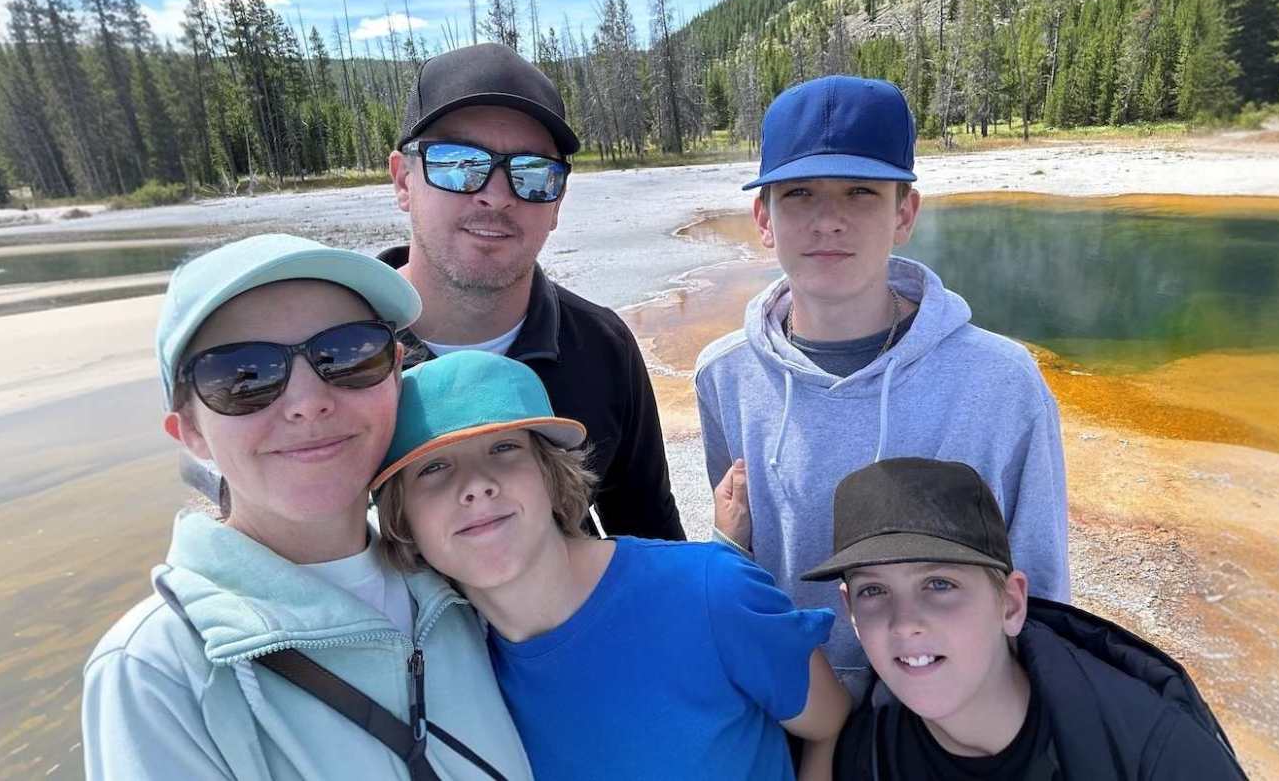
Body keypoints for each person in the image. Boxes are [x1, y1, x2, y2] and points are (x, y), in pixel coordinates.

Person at [82, 234, 532, 780]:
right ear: (190, 432)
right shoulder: (158, 671)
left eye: (345, 355)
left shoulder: (455, 568)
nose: (308, 401)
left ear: (394, 373)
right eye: (242, 376)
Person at [695, 75, 1069, 689]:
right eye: (800, 194)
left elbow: (1042, 582)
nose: (829, 221)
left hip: (949, 720)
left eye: (862, 192)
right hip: (790, 706)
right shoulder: (726, 375)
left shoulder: (1002, 380)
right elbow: (748, 558)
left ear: (905, 212)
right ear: (764, 217)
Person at [372, 351, 851, 781]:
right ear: (403, 520)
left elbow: (829, 726)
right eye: (433, 468)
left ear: (550, 475)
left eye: (504, 449)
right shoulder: (449, 671)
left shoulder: (711, 593)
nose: (476, 485)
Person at [382, 42, 683, 541]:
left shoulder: (602, 345)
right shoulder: (336, 358)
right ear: (403, 181)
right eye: (459, 163)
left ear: (558, 201)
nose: (496, 195)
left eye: (532, 173)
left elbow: (649, 535)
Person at [803, 458, 1247, 780]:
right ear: (852, 615)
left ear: (1011, 604)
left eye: (939, 584)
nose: (904, 624)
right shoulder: (865, 752)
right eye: (874, 591)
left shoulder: (1153, 752)